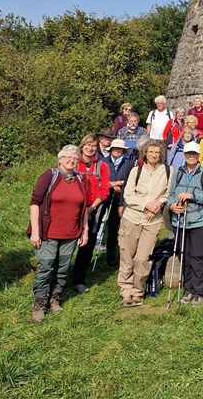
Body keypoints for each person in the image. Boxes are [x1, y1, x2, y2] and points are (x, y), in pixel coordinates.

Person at [28, 145, 89, 323]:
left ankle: (54, 299)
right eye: (68, 157)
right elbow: (34, 203)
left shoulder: (80, 179)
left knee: (62, 269)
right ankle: (39, 304)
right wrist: (36, 232)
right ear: (60, 159)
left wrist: (84, 230)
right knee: (46, 268)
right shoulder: (49, 176)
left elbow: (83, 207)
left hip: (70, 233)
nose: (71, 160)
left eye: (75, 158)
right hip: (48, 233)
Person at [117, 139, 172, 307]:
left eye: (157, 152)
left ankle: (138, 291)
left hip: (152, 221)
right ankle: (126, 291)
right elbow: (128, 195)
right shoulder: (136, 171)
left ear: (161, 154)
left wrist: (157, 205)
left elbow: (168, 193)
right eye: (151, 152)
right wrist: (145, 205)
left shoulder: (169, 171)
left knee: (142, 258)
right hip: (132, 218)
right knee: (127, 257)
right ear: (145, 154)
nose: (154, 155)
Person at [168, 141, 203, 305]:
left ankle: (198, 291)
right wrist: (172, 205)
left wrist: (192, 196)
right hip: (180, 221)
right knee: (185, 256)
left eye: (194, 154)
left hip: (199, 222)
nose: (191, 156)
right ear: (184, 154)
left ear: (198, 156)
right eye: (188, 153)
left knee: (197, 257)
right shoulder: (178, 172)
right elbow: (171, 193)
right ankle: (188, 290)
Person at [71, 134, 111, 293]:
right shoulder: (73, 162)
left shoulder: (102, 166)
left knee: (86, 245)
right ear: (82, 146)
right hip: (73, 208)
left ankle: (79, 280)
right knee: (68, 243)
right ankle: (60, 276)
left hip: (93, 209)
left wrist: (90, 209)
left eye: (93, 146)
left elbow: (105, 190)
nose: (90, 148)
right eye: (87, 144)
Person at [102, 138, 134, 267]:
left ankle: (112, 255)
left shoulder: (128, 163)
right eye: (115, 148)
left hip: (121, 198)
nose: (117, 151)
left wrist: (119, 184)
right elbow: (100, 179)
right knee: (99, 226)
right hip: (104, 197)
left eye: (119, 149)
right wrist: (113, 184)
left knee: (114, 228)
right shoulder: (104, 162)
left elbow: (129, 181)